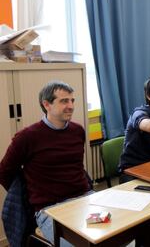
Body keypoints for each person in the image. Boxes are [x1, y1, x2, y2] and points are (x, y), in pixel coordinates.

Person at [0, 81, 92, 246]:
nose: (71, 106)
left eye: (72, 100)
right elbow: (4, 172)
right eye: (64, 101)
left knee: (121, 233)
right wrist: (26, 193)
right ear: (46, 104)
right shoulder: (27, 137)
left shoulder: (78, 131)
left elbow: (76, 167)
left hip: (84, 198)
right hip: (50, 209)